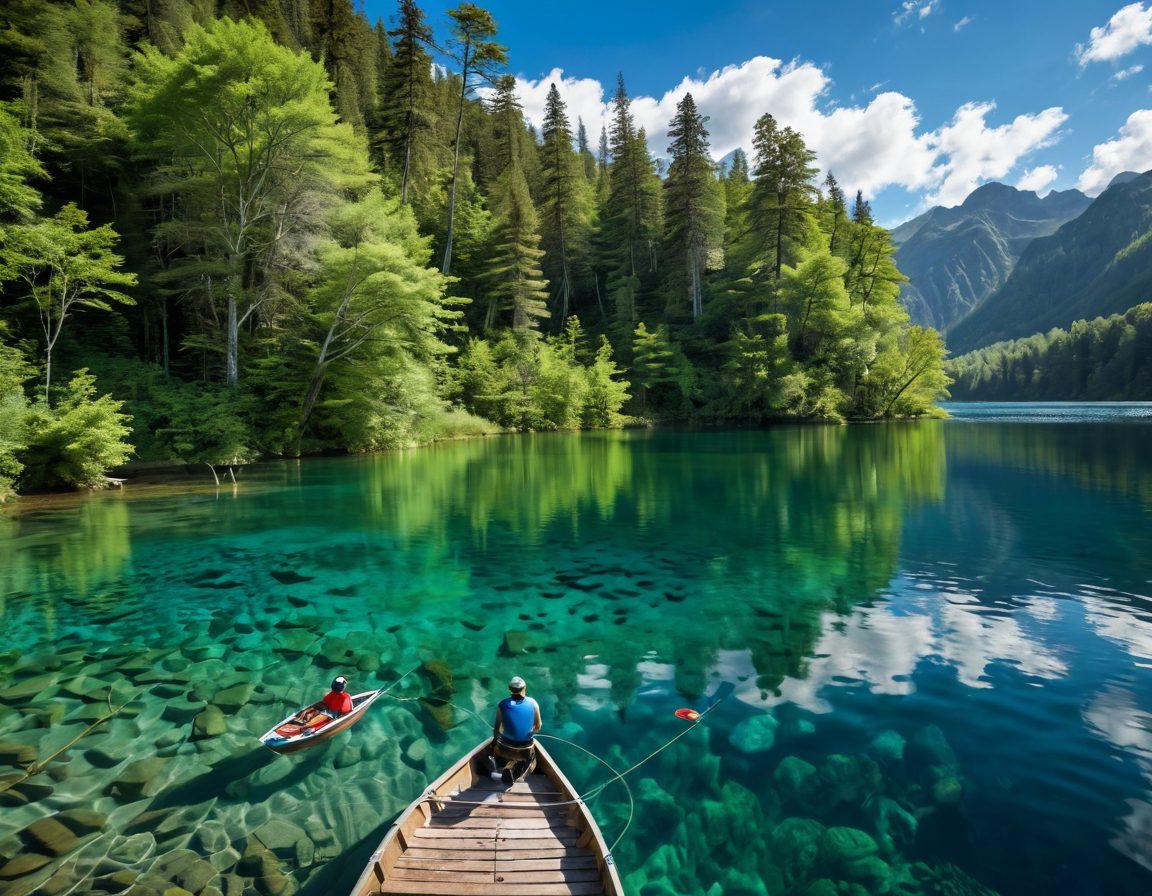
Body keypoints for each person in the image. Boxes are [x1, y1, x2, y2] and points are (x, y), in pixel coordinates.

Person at [490, 675, 541, 785]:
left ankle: (505, 766)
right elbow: (538, 726)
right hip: (524, 748)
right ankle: (519, 775)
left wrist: (494, 741)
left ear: (510, 690)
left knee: (496, 746)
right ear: (524, 689)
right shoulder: (533, 703)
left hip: (505, 745)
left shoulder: (502, 704)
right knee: (532, 760)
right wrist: (531, 732)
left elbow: (496, 728)